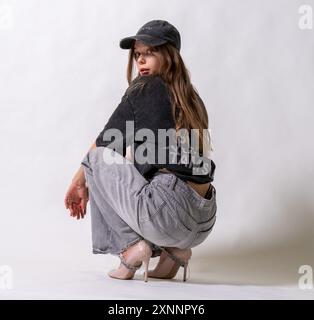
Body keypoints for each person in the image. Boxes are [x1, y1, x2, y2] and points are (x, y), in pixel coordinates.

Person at [64, 20, 217, 282]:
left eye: (149, 53)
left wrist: (79, 181)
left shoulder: (145, 88)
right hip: (204, 218)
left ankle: (130, 250)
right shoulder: (192, 98)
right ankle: (173, 254)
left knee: (96, 159)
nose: (141, 61)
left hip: (169, 213)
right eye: (137, 55)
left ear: (169, 55)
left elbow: (104, 145)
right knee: (140, 162)